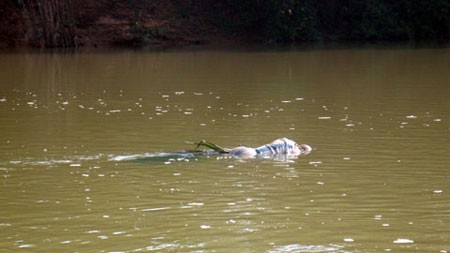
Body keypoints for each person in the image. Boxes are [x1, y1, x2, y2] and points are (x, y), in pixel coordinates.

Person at [194, 137, 311, 159]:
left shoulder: (284, 140)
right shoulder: (295, 151)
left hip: (248, 149)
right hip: (251, 155)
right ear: (302, 149)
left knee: (214, 155)